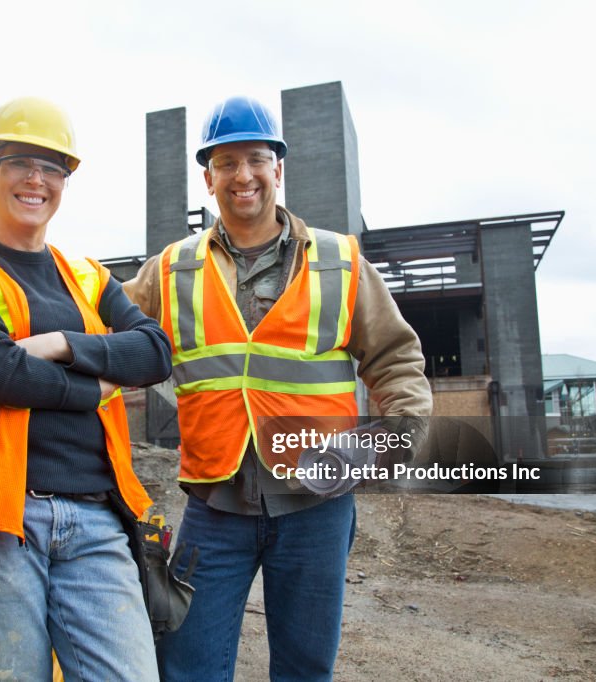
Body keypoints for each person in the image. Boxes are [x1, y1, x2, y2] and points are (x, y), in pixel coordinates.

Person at [124, 95, 433, 681]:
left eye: (256, 159)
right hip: (214, 506)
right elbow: (104, 327)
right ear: (208, 178)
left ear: (279, 169)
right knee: (186, 665)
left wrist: (390, 442)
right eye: (226, 163)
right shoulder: (171, 268)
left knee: (304, 669)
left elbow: (395, 360)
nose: (243, 176)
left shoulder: (339, 261)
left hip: (317, 507)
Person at [0, 96, 169, 681]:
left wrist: (58, 342)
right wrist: (95, 388)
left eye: (53, 167)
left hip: (98, 518)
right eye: (19, 162)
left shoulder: (88, 276)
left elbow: (154, 352)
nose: (36, 178)